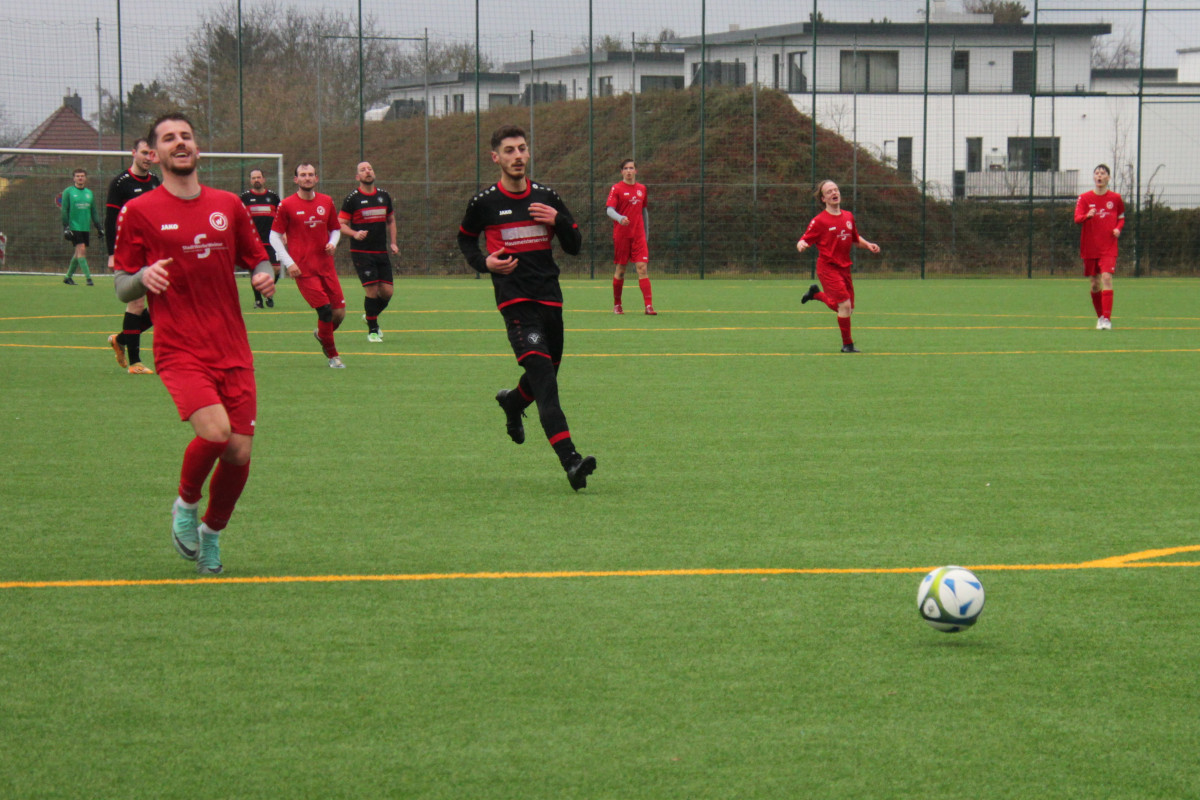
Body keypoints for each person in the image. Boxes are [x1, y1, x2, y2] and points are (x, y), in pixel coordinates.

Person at [112, 112, 274, 575]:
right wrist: (143, 277)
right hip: (180, 348)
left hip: (233, 347)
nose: (178, 143)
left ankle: (212, 533)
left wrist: (263, 273)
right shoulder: (139, 212)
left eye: (185, 136)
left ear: (197, 148)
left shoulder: (228, 204)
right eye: (168, 139)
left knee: (240, 454)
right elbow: (122, 284)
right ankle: (185, 504)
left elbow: (256, 256)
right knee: (216, 433)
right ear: (153, 153)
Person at [457, 124, 597, 491]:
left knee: (542, 378)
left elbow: (575, 245)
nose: (517, 156)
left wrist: (559, 221)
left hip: (550, 299)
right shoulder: (483, 203)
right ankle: (572, 461)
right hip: (515, 301)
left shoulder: (547, 197)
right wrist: (484, 263)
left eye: (522, 149)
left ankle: (512, 402)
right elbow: (465, 238)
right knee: (546, 382)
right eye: (509, 150)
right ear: (496, 158)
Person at [270, 162, 345, 368]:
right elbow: (274, 236)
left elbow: (335, 229)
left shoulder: (326, 201)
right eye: (303, 175)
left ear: (316, 178)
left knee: (339, 314)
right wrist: (289, 263)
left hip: (326, 266)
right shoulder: (286, 205)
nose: (307, 178)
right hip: (303, 270)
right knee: (326, 312)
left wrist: (332, 242)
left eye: (310, 174)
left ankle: (322, 335)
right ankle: (333, 356)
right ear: (296, 180)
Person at [796, 179, 881, 353]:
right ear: (823, 199)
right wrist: (801, 245)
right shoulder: (819, 221)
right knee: (844, 306)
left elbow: (856, 239)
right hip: (828, 268)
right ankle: (847, 345)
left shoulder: (848, 216)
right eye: (829, 192)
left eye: (836, 190)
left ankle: (816, 294)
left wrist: (869, 244)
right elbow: (803, 240)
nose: (834, 193)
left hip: (844, 267)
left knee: (846, 308)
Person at [105, 139, 160, 374]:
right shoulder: (120, 183)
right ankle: (135, 362)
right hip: (130, 251)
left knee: (163, 306)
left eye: (152, 154)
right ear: (134, 153)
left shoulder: (156, 181)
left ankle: (121, 339)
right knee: (136, 302)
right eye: (145, 153)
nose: (149, 158)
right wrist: (111, 254)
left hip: (153, 250)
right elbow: (110, 220)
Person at [339, 161, 399, 342]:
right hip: (361, 251)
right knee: (372, 290)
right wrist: (354, 233)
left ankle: (370, 315)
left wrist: (394, 243)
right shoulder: (352, 199)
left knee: (387, 292)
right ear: (358, 177)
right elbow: (340, 224)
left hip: (381, 251)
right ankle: (373, 330)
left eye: (370, 169)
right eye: (363, 170)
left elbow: (391, 220)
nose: (367, 172)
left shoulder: (384, 196)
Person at [1074, 164, 1125, 330]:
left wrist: (1118, 228)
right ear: (1094, 177)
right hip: (1090, 247)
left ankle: (1107, 320)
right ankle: (1101, 317)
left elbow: (1121, 217)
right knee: (1095, 284)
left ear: (1108, 178)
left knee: (1107, 278)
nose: (1099, 176)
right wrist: (1086, 216)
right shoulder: (1084, 198)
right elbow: (1077, 218)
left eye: (1103, 173)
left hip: (1109, 246)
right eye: (1097, 173)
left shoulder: (1116, 198)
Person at [606, 159, 656, 315]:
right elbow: (609, 210)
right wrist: (620, 218)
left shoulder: (642, 189)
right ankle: (617, 304)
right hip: (622, 235)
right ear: (622, 172)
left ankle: (648, 306)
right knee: (621, 270)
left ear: (636, 171)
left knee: (642, 268)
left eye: (631, 168)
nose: (629, 171)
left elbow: (644, 212)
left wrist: (646, 234)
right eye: (626, 168)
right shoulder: (616, 188)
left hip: (639, 236)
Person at [240, 168, 283, 309]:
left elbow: (281, 217)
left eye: (259, 177)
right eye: (253, 178)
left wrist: (283, 234)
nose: (256, 180)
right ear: (250, 180)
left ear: (264, 179)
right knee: (255, 272)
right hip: (252, 240)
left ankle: (268, 293)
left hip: (271, 239)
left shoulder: (273, 197)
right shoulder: (244, 198)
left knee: (276, 269)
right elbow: (238, 218)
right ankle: (258, 301)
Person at [60, 168, 104, 286]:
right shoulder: (68, 192)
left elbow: (93, 211)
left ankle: (68, 277)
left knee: (78, 253)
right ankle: (89, 279)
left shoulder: (89, 193)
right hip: (74, 227)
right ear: (73, 178)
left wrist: (98, 227)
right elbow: (64, 210)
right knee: (82, 250)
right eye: (78, 176)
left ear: (85, 178)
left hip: (85, 227)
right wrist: (66, 227)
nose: (80, 178)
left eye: (82, 176)